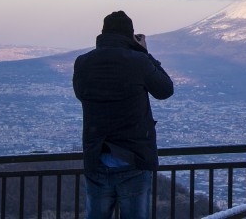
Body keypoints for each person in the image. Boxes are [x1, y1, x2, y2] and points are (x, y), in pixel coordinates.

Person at [73, 11, 174, 219]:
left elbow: (80, 94)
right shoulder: (138, 61)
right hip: (133, 157)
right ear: (130, 35)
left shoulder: (83, 62)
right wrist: (145, 53)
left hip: (97, 156)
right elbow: (165, 90)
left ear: (103, 33)